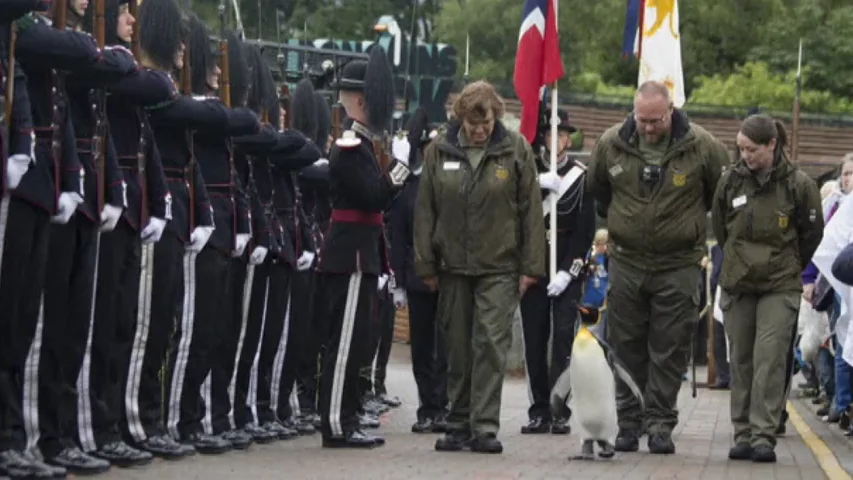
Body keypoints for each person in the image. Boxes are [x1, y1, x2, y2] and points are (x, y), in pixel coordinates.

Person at [586, 80, 729, 454]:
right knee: (625, 344)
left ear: (671, 111)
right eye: (642, 119)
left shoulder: (702, 146)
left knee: (670, 346)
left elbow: (722, 193)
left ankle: (661, 422)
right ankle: (629, 422)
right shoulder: (611, 143)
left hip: (677, 262)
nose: (648, 127)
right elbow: (598, 191)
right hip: (629, 260)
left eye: (655, 120)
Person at [413, 80, 545, 454]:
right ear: (461, 119)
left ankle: (484, 425)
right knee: (456, 346)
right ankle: (457, 422)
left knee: (490, 343)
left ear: (495, 117)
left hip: (499, 265)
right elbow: (425, 210)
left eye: (485, 124)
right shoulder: (440, 150)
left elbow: (531, 209)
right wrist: (425, 264)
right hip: (452, 265)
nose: (479, 131)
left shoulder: (514, 149)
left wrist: (531, 266)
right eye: (472, 125)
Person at [314, 45, 410, 449]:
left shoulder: (365, 145)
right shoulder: (351, 147)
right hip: (350, 255)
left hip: (362, 253)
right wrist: (399, 173)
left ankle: (348, 414)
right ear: (359, 100)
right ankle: (337, 421)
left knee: (358, 342)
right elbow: (372, 197)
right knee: (345, 343)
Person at [712, 114, 823, 463]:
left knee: (770, 358)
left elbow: (811, 234)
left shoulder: (799, 185)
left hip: (779, 284)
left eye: (753, 149)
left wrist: (788, 264)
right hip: (739, 282)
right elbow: (720, 226)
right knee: (741, 358)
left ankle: (764, 434)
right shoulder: (729, 181)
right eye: (741, 148)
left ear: (772, 145)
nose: (746, 155)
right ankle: (742, 432)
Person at [519, 107, 595, 436]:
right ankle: (538, 409)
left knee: (563, 340)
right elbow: (516, 217)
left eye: (562, 135)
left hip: (565, 266)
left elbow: (585, 229)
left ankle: (559, 408)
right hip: (535, 267)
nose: (557, 140)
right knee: (534, 341)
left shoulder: (580, 176)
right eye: (551, 134)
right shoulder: (528, 175)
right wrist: (535, 187)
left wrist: (569, 270)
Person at [390, 107, 448, 434]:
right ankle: (428, 406)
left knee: (447, 346)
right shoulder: (409, 187)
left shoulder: (453, 184)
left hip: (448, 275)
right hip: (416, 275)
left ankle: (444, 404)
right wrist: (398, 281)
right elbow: (398, 235)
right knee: (423, 346)